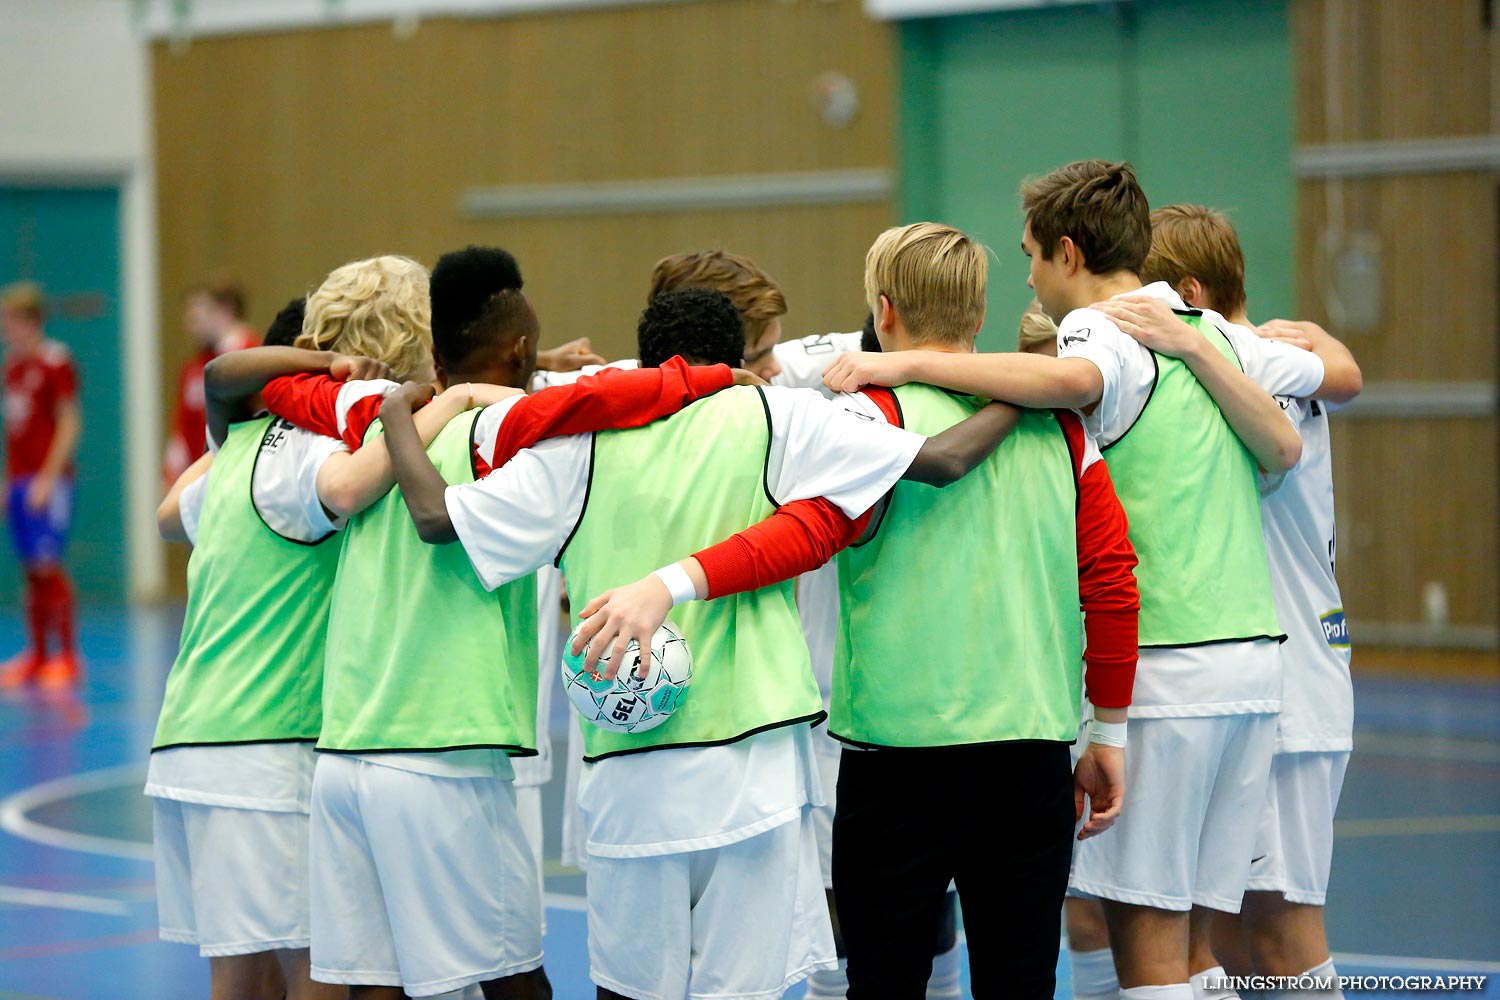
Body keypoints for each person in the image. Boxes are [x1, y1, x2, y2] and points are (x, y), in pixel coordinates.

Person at [378, 284, 1019, 1000]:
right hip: (757, 767)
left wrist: (396, 414)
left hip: (631, 771)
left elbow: (435, 517)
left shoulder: (581, 447)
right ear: (734, 358)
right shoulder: (777, 416)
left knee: (630, 990)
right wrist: (1026, 389)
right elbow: (942, 458)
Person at [819, 160, 1358, 1000]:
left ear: (1069, 252)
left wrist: (904, 367)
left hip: (1168, 666)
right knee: (1195, 946)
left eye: (1032, 255)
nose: (1027, 276)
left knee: (1146, 945)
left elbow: (1070, 384)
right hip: (1254, 667)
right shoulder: (1205, 332)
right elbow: (1286, 449)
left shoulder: (1100, 329)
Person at [255, 249, 751, 1000]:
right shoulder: (501, 433)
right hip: (440, 754)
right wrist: (720, 378)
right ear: (517, 349)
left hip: (346, 752)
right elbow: (613, 401)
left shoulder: (363, 432)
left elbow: (248, 376)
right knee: (515, 982)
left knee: (373, 987)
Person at [147, 287, 424, 1000]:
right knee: (316, 968)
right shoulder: (308, 452)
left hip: (196, 735)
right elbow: (353, 487)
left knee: (245, 973)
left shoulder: (233, 452)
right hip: (263, 744)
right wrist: (437, 402)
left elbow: (168, 515)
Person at [1141, 204, 1358, 999]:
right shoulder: (1240, 361)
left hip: (1290, 679)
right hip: (1250, 679)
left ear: (1190, 294)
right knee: (1224, 933)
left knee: (1277, 934)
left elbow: (1347, 376)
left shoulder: (1250, 364)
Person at [1, 281, 82, 689]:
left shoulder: (55, 361)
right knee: (30, 570)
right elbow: (13, 433)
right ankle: (37, 654)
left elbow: (68, 422)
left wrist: (48, 479)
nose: (4, 328)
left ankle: (67, 656)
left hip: (47, 481)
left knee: (49, 566)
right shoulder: (11, 368)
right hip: (18, 479)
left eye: (10, 320)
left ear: (30, 321)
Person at [164, 276, 261, 484]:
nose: (191, 325)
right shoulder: (192, 369)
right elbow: (181, 430)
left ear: (225, 310)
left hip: (242, 476)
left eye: (198, 316)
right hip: (202, 479)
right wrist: (172, 476)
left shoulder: (258, 358)